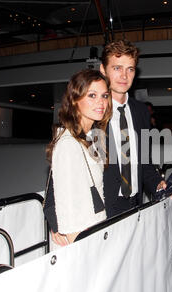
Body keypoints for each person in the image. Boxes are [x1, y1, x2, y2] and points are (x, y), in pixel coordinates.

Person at [99, 39, 172, 218]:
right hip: (103, 210)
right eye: (117, 68)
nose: (124, 76)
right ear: (103, 70)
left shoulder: (141, 111)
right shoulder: (93, 112)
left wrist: (159, 184)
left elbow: (144, 163)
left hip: (136, 206)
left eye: (130, 69)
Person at [46, 69, 112, 246]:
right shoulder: (69, 145)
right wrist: (83, 253)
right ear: (75, 100)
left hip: (95, 231)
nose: (101, 102)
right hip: (80, 243)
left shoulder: (93, 137)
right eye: (92, 95)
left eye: (104, 96)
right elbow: (68, 213)